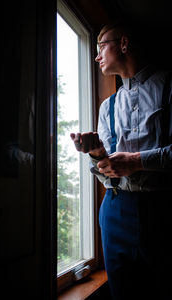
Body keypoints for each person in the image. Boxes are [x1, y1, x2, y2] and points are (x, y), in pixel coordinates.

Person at [70, 20, 172, 300]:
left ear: (123, 43)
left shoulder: (169, 85)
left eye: (101, 45)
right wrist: (97, 154)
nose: (96, 55)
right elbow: (109, 175)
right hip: (115, 210)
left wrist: (138, 160)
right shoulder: (108, 106)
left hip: (163, 209)